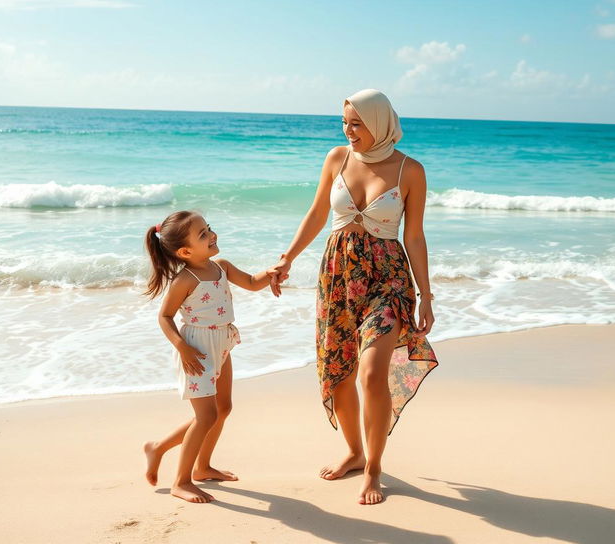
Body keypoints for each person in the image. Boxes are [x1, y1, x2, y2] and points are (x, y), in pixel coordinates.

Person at [271, 89, 438, 505]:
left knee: (371, 372)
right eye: (345, 122)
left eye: (357, 123)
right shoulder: (336, 158)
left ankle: (374, 467)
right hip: (338, 276)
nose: (348, 130)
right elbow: (316, 214)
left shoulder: (409, 171)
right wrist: (287, 258)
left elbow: (414, 236)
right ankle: (353, 450)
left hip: (388, 280)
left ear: (379, 122)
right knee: (338, 369)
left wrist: (426, 295)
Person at [142, 210, 282, 503]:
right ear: (185, 251)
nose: (212, 235)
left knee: (222, 408)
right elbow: (165, 317)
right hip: (196, 349)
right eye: (203, 234)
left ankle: (197, 465)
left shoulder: (222, 266)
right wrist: (181, 347)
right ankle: (181, 481)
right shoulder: (186, 279)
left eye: (209, 229)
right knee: (205, 416)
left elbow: (253, 282)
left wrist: (270, 275)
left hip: (222, 343)